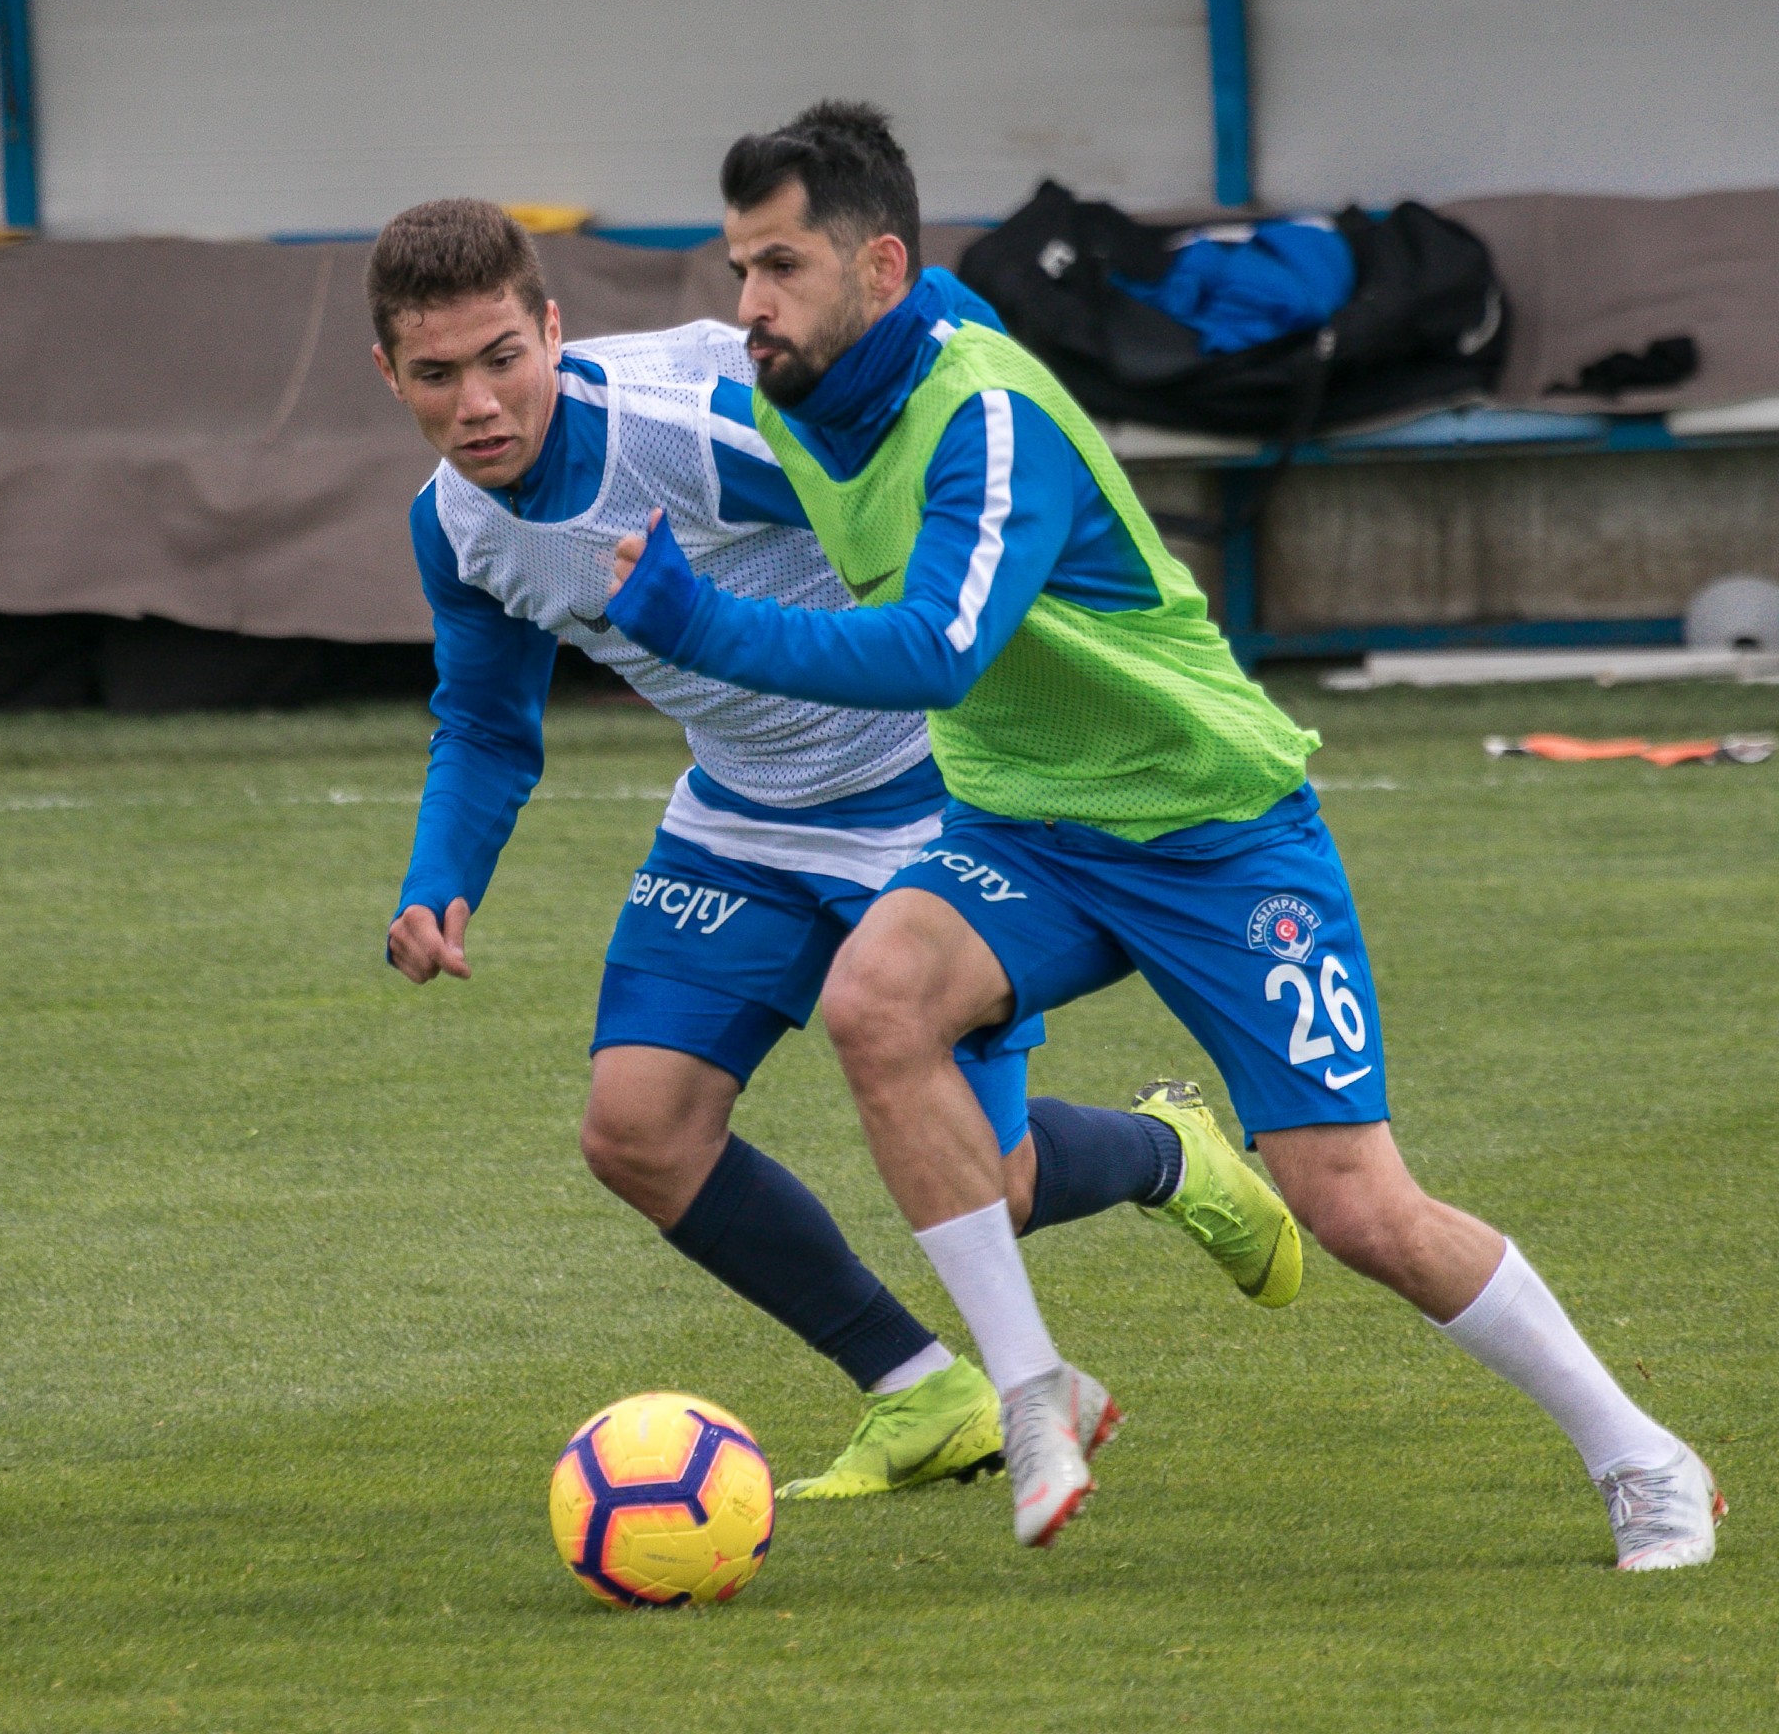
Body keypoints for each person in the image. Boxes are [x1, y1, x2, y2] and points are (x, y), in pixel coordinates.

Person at [605, 101, 1726, 1566]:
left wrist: (697, 622)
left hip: (1214, 829)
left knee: (1353, 1205)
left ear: (880, 267)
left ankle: (1640, 1454)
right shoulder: (791, 398)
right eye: (739, 268)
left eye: (780, 268)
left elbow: (938, 647)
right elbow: (611, 395)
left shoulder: (985, 412)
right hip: (1028, 827)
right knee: (876, 1000)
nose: (749, 304)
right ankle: (1033, 1392)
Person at [369, 198, 1300, 1502]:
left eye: (501, 359)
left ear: (553, 332)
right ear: (389, 374)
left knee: (999, 1184)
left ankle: (1167, 1155)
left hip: (926, 797)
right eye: (437, 374)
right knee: (638, 1132)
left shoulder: (699, 427)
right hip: (741, 813)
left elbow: (932, 470)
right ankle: (922, 1391)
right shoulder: (454, 523)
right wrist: (438, 885)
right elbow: (482, 722)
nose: (476, 403)